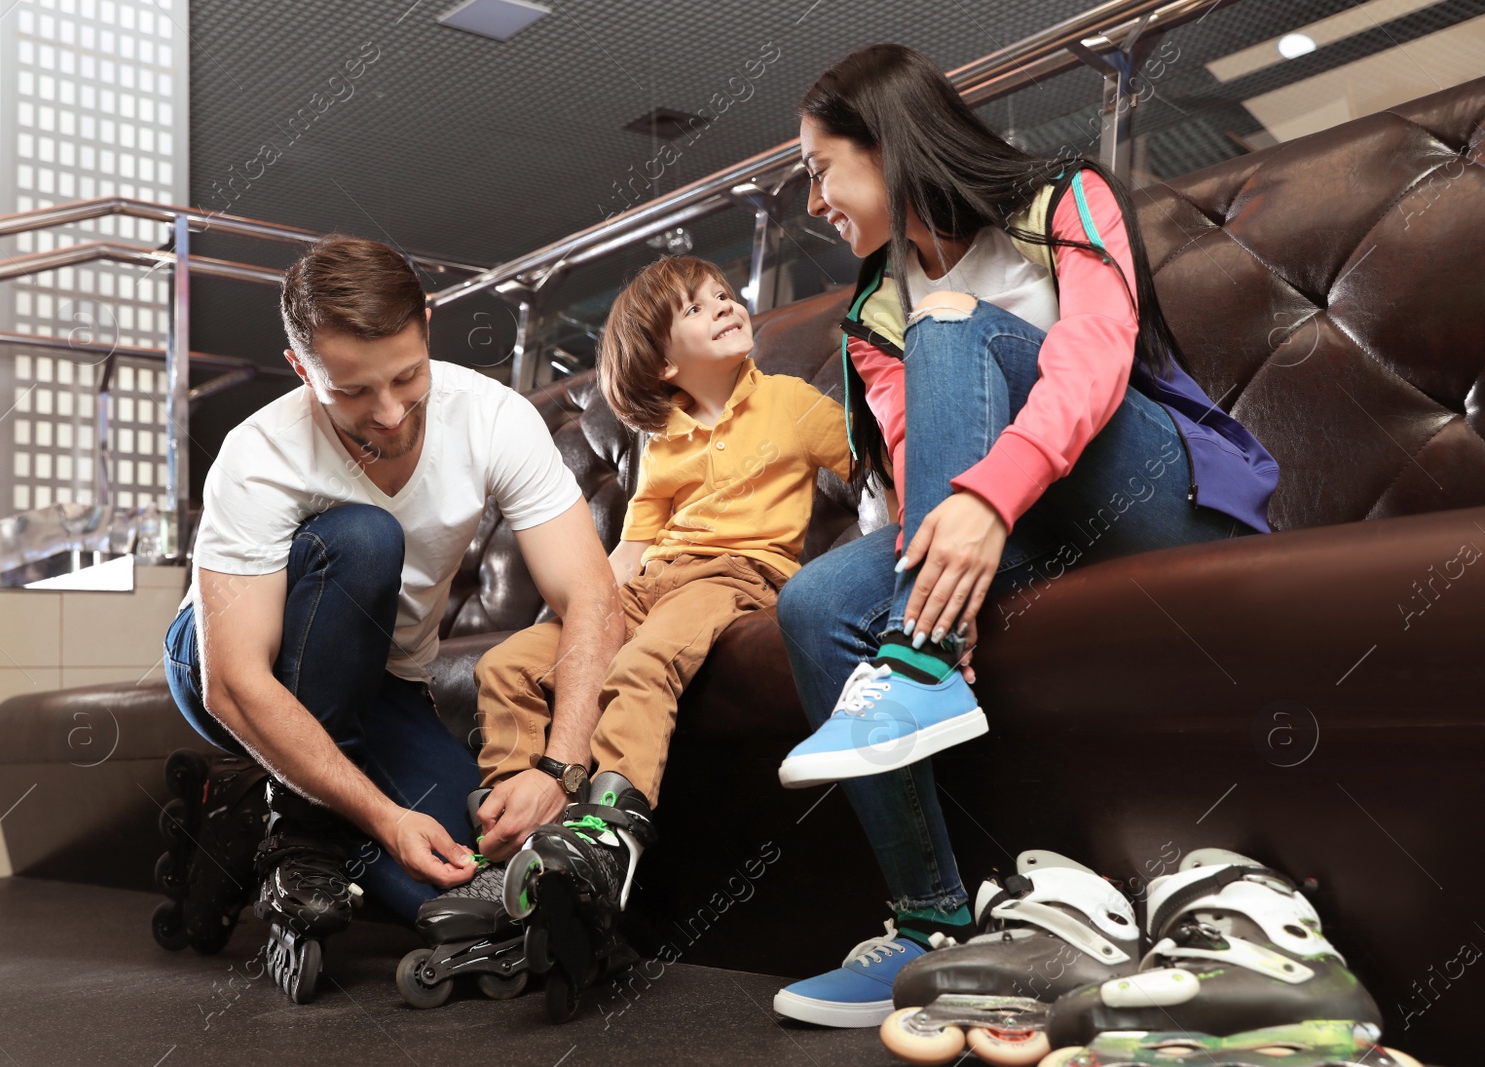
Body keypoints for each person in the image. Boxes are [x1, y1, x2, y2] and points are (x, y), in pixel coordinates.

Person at [770, 44, 1279, 1027]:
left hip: (1148, 493)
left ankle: (922, 661)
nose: (813, 200)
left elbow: (1094, 361)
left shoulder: (1061, 197)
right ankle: (934, 926)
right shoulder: (875, 308)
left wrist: (989, 497)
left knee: (954, 322)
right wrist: (952, 533)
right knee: (816, 603)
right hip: (1018, 530)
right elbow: (919, 456)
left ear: (886, 143)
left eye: (818, 167)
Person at [161, 235, 624, 1001]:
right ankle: (303, 817)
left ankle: (250, 808)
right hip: (225, 666)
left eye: (407, 376)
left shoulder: (492, 418)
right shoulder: (258, 454)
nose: (388, 412)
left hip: (378, 682)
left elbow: (592, 598)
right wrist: (380, 816)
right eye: (350, 390)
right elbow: (234, 682)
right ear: (300, 367)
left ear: (428, 325)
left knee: (481, 885)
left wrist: (556, 766)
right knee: (365, 539)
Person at [464, 255, 851, 998]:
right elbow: (629, 554)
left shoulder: (792, 404)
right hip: (651, 585)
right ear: (667, 361)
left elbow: (876, 456)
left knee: (640, 667)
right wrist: (582, 631)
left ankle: (607, 832)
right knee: (508, 663)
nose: (727, 305)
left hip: (736, 576)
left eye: (724, 295)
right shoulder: (665, 439)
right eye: (701, 307)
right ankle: (516, 841)